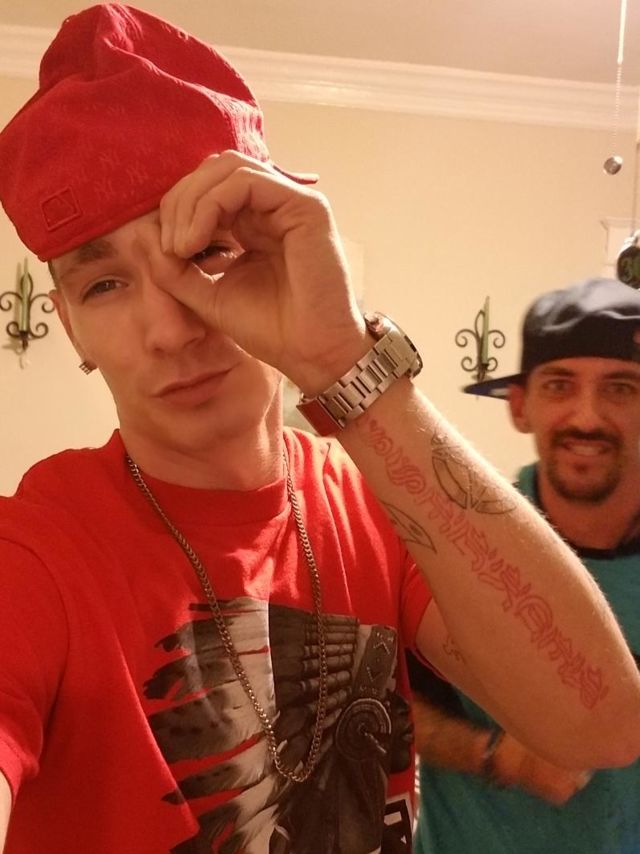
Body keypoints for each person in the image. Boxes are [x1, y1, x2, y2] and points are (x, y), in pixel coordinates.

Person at [0, 6, 639, 852]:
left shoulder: (378, 498)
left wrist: (347, 364)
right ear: (70, 326)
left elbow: (599, 725)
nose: (170, 328)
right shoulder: (37, 550)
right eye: (105, 285)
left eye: (206, 253)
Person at [409, 277, 640, 854]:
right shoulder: (453, 551)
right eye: (559, 385)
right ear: (519, 406)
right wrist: (494, 755)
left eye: (621, 388)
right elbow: (382, 703)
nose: (587, 417)